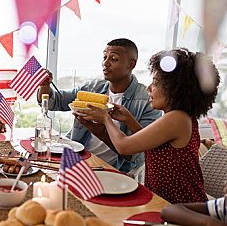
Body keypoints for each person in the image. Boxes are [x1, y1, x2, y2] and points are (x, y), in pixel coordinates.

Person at [78, 48, 220, 204]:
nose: (148, 88)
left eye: (156, 83)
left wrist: (105, 118)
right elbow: (150, 144)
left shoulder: (176, 119)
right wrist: (129, 119)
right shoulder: (180, 118)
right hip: (167, 202)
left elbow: (124, 147)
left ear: (175, 89)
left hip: (181, 205)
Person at [37, 38, 161, 180]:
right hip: (79, 160)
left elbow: (138, 156)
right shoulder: (93, 87)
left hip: (115, 171)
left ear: (131, 64)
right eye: (104, 57)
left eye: (113, 59)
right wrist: (44, 85)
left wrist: (101, 130)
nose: (105, 63)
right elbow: (55, 102)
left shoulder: (148, 101)